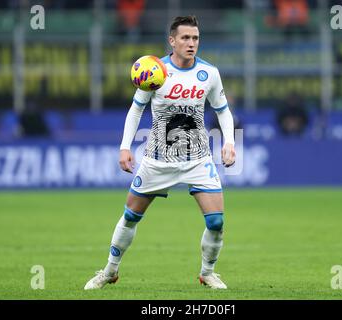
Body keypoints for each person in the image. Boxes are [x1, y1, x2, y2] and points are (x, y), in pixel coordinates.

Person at [84, 15, 236, 290]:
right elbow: (136, 110)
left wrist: (229, 142)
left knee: (216, 221)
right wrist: (124, 147)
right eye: (186, 38)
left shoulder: (209, 73)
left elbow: (223, 111)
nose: (192, 43)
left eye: (195, 38)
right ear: (172, 40)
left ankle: (208, 272)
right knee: (131, 216)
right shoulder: (155, 71)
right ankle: (110, 270)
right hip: (158, 159)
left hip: (197, 158)